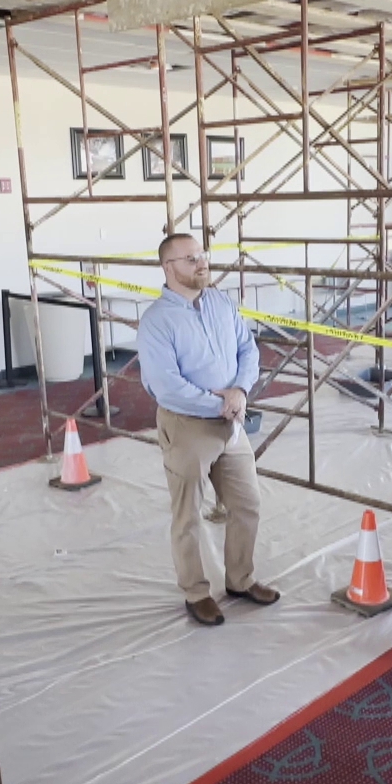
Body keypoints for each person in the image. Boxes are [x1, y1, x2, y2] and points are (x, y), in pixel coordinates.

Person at [136, 233, 280, 626]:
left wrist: (240, 390)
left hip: (230, 423)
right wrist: (221, 402)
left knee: (247, 503)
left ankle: (240, 579)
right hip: (188, 426)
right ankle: (196, 592)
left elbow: (248, 350)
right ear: (169, 268)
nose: (202, 263)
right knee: (188, 516)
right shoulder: (156, 322)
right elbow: (166, 385)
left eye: (202, 255)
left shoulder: (220, 301)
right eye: (190, 259)